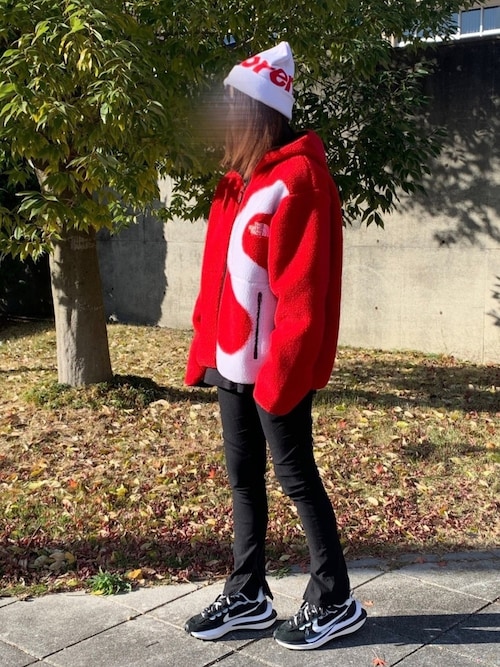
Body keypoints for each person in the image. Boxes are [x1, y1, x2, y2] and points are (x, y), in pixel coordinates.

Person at [183, 41, 366, 651]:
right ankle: (248, 592)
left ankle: (334, 598)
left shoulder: (300, 181)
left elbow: (304, 294)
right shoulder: (235, 184)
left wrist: (280, 375)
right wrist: (206, 349)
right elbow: (217, 275)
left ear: (256, 112)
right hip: (231, 362)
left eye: (230, 108)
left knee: (295, 477)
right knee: (243, 478)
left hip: (274, 371)